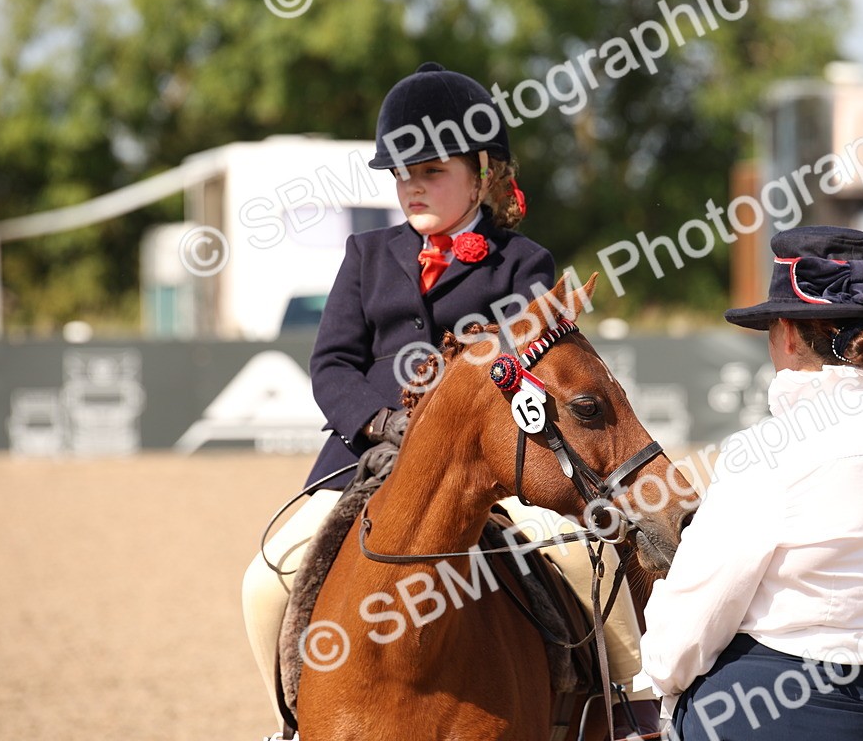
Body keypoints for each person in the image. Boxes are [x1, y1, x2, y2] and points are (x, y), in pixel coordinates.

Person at [241, 62, 655, 739]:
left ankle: (625, 706)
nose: (411, 185)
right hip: (362, 461)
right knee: (265, 580)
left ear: (481, 173)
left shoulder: (521, 263)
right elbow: (332, 363)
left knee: (583, 556)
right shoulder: (366, 254)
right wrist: (381, 422)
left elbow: (538, 373)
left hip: (488, 469)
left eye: (431, 170)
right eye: (402, 172)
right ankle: (290, 720)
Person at [641, 225, 863, 740]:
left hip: (788, 707)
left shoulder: (768, 452)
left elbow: (692, 621)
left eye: (773, 327)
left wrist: (663, 689)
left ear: (791, 334)